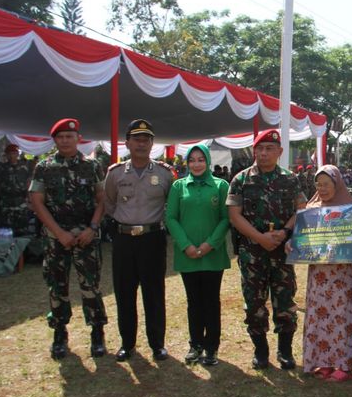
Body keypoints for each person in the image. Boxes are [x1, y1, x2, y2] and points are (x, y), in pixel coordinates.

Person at [227, 128, 307, 370]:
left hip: (282, 251)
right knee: (254, 303)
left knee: (285, 302)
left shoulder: (290, 179)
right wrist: (259, 238)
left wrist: (284, 232)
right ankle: (260, 351)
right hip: (253, 253)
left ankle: (285, 351)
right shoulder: (241, 179)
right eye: (259, 149)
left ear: (279, 152)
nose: (263, 153)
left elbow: (301, 209)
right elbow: (234, 215)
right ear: (254, 151)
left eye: (269, 148)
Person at [28, 118, 107, 359]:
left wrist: (92, 228)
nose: (65, 140)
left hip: (87, 237)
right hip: (56, 238)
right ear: (54, 140)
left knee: (90, 286)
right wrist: (58, 233)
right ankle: (59, 334)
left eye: (69, 136)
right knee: (57, 286)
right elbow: (36, 201)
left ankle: (97, 333)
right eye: (60, 137)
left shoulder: (92, 166)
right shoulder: (44, 167)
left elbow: (102, 198)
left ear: (78, 139)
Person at [104, 119, 174, 362]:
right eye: (137, 139)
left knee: (154, 293)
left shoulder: (165, 173)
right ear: (128, 143)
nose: (142, 143)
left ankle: (157, 344)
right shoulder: (114, 174)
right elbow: (109, 203)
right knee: (124, 293)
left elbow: (172, 204)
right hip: (124, 240)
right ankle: (127, 343)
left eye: (146, 139)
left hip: (153, 238)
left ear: (153, 143)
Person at [293, 165, 352, 382]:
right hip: (319, 275)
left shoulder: (350, 209)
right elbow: (302, 239)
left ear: (337, 184)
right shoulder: (311, 209)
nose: (322, 189)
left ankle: (343, 364)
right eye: (318, 184)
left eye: (327, 184)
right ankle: (322, 361)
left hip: (340, 275)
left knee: (339, 316)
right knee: (320, 315)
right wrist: (292, 245)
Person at [165, 143, 231, 366]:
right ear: (186, 163)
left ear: (208, 161)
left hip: (213, 255)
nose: (196, 164)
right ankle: (196, 344)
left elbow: (226, 218)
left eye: (200, 159)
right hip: (188, 255)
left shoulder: (221, 186)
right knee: (194, 302)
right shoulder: (178, 186)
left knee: (211, 301)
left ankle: (211, 347)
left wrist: (210, 244)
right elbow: (171, 218)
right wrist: (186, 245)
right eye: (191, 160)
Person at [0, 144, 33, 236]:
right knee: (6, 229)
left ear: (17, 154)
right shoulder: (0, 168)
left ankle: (23, 249)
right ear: (6, 155)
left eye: (14, 153)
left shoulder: (25, 167)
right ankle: (6, 249)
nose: (12, 155)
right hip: (6, 202)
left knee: (23, 228)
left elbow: (29, 183)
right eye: (10, 153)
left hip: (21, 201)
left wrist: (30, 199)